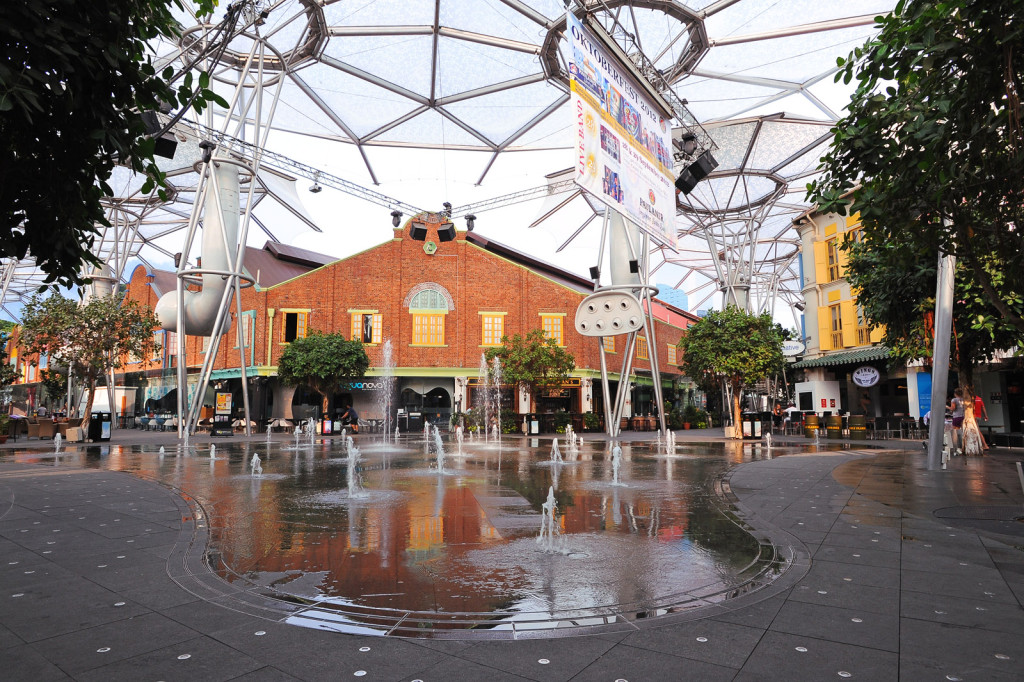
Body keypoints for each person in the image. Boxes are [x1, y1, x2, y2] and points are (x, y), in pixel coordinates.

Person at [948, 388, 965, 454]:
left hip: (956, 417)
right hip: (963, 417)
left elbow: (953, 408)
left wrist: (947, 407)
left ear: (955, 394)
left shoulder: (954, 400)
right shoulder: (964, 399)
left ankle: (956, 448)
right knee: (962, 431)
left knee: (955, 432)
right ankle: (963, 447)